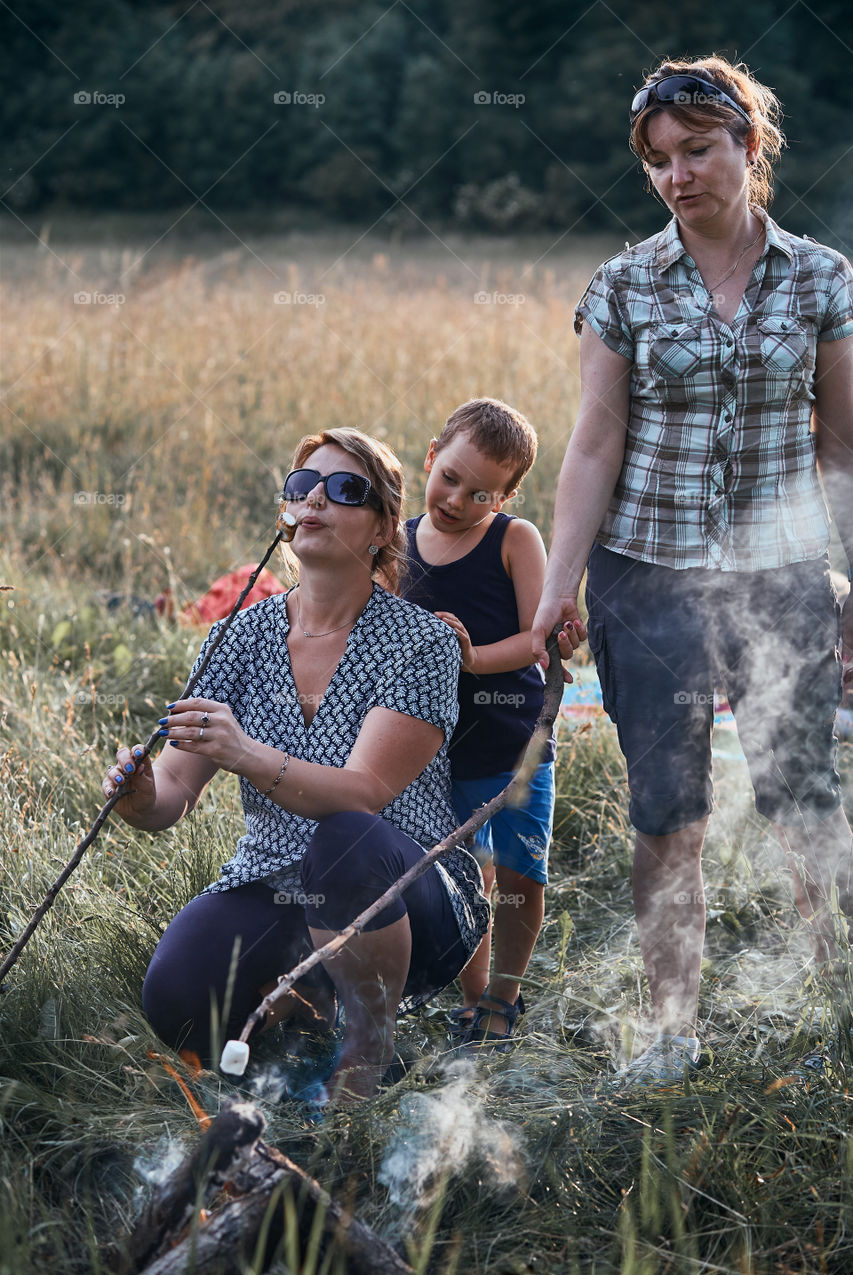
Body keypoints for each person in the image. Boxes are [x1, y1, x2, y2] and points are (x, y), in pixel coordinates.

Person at [531, 55, 853, 1085]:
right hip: (646, 576)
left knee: (804, 801)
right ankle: (671, 1032)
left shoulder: (821, 278)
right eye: (658, 160)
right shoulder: (622, 284)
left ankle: (835, 1008)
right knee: (666, 813)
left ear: (748, 147)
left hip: (783, 576)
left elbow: (842, 445)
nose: (677, 174)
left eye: (698, 150)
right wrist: (556, 590)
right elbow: (591, 446)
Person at [101, 428, 490, 1102]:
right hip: (277, 881)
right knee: (178, 993)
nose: (313, 500)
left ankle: (367, 1055)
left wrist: (246, 753)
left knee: (346, 841)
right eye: (299, 487)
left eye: (343, 490)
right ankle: (304, 1026)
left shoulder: (421, 643)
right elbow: (170, 798)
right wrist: (136, 793)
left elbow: (363, 793)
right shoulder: (237, 636)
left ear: (380, 528)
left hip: (407, 893)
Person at [402, 397, 583, 1047]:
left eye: (481, 494)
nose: (456, 499)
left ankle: (503, 997)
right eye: (448, 477)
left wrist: (471, 657)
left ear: (504, 499)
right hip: (429, 751)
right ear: (430, 457)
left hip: (509, 743)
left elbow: (538, 639)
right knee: (460, 876)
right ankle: (472, 997)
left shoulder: (513, 540)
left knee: (515, 875)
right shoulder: (396, 545)